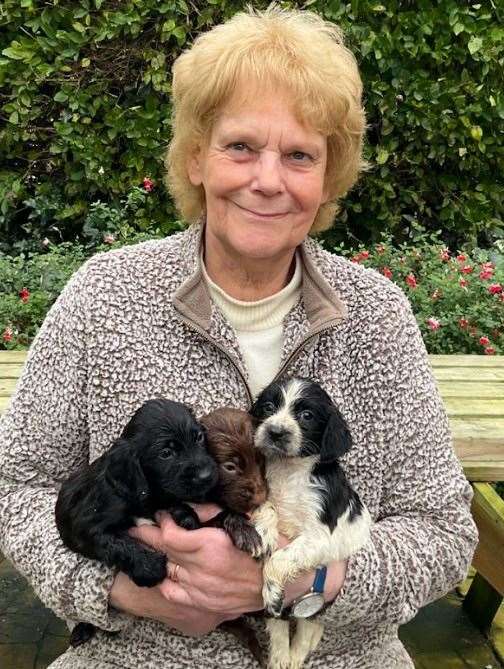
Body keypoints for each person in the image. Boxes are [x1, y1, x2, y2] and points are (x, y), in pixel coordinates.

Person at [0, 7, 477, 669]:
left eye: (300, 155)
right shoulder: (103, 294)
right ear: (196, 157)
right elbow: (15, 485)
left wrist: (311, 578)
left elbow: (444, 529)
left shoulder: (378, 315)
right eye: (241, 146)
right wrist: (123, 587)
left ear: (327, 176)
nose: (268, 179)